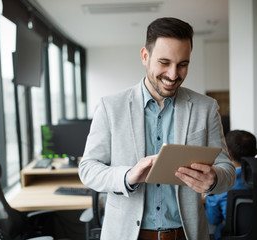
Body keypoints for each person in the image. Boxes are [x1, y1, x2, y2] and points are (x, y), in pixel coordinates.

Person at [79, 17, 236, 240]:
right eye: (164, 62)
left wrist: (214, 179)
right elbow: (87, 169)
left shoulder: (206, 107)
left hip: (186, 234)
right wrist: (127, 176)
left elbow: (227, 170)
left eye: (183, 64)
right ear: (145, 56)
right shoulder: (110, 106)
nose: (173, 75)